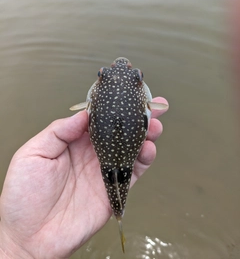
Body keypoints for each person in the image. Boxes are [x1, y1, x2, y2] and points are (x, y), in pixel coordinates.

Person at [0, 97, 168, 259]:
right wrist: (16, 246)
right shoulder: (140, 96)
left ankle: (118, 216)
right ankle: (119, 216)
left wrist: (16, 249)